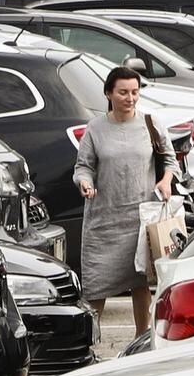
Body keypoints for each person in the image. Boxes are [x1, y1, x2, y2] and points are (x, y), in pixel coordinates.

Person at [73, 64, 176, 336]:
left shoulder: (150, 124)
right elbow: (83, 166)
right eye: (123, 92)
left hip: (140, 219)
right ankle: (88, 342)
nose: (130, 98)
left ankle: (142, 338)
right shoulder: (95, 129)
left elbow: (170, 160)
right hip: (103, 221)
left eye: (134, 92)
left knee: (140, 283)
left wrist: (165, 181)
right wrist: (85, 182)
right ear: (108, 94)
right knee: (96, 285)